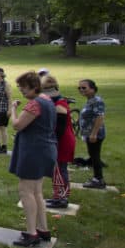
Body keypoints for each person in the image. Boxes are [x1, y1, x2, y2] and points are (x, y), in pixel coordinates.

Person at [9, 71, 57, 248]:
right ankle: (43, 229)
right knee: (37, 192)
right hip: (46, 149)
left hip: (34, 151)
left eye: (24, 87)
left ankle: (31, 234)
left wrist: (13, 109)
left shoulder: (35, 104)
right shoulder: (47, 100)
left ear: (34, 87)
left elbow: (17, 125)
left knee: (25, 191)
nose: (21, 90)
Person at [41, 75, 76, 207]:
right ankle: (57, 196)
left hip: (62, 140)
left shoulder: (60, 104)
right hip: (58, 139)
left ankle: (62, 199)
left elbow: (60, 128)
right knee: (57, 169)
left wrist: (52, 141)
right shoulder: (57, 102)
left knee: (61, 169)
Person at [78, 79, 107, 189]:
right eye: (79, 88)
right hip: (89, 134)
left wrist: (94, 134)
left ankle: (98, 180)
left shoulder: (97, 101)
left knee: (95, 156)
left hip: (95, 135)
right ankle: (97, 178)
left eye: (84, 87)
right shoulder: (91, 100)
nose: (81, 90)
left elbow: (100, 117)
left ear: (92, 88)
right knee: (93, 156)